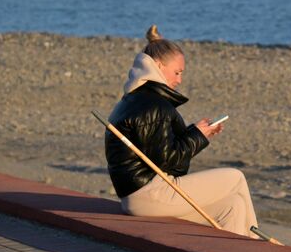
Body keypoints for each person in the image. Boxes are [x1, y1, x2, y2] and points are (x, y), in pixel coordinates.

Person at [105, 26, 261, 238]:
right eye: (177, 72)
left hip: (139, 194)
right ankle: (256, 242)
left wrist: (196, 134)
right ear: (159, 66)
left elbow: (159, 149)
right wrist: (197, 136)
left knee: (233, 205)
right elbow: (168, 162)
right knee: (235, 177)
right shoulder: (153, 105)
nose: (179, 80)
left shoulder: (135, 98)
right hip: (149, 194)